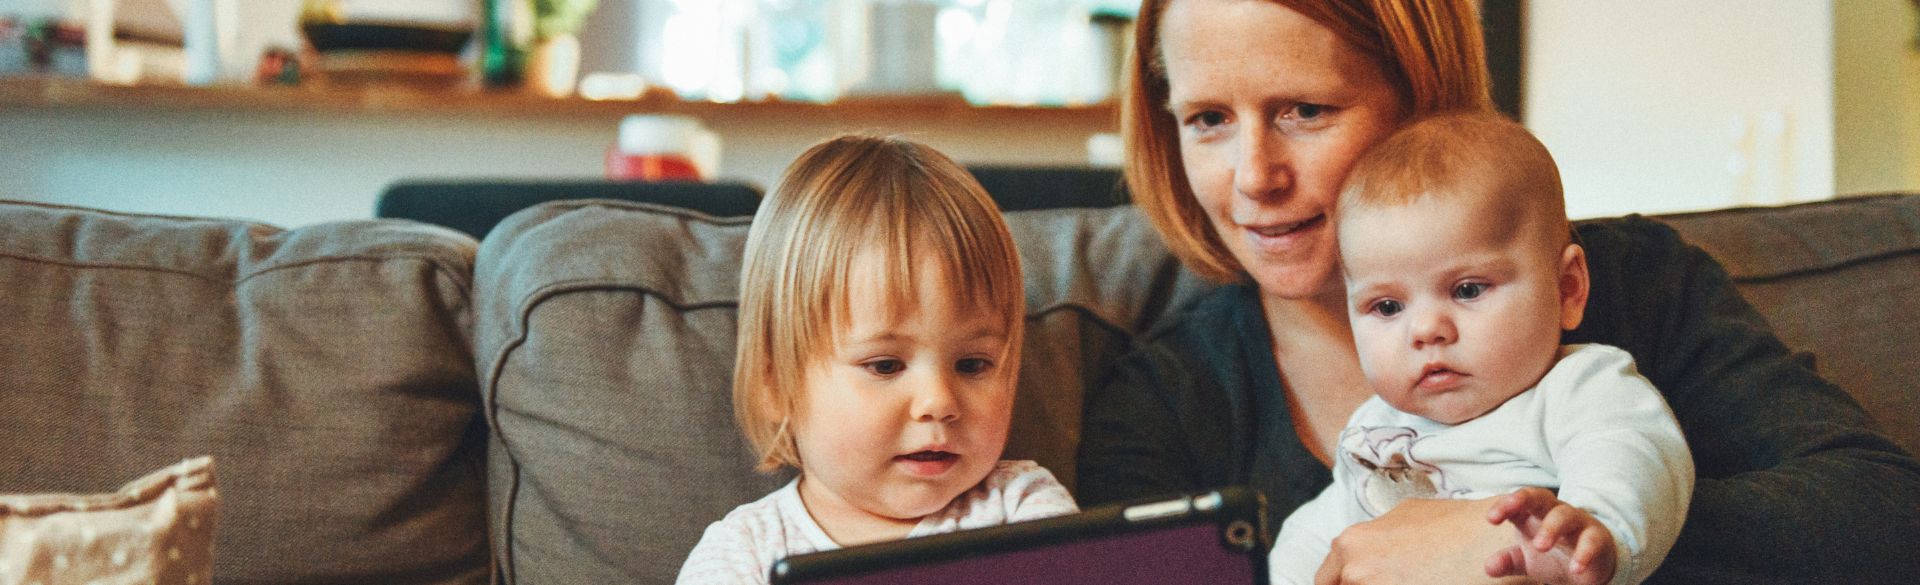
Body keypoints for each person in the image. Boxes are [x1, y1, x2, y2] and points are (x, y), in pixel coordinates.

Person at [1075, 0, 1920, 583]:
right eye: (1208, 119)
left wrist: (1534, 547)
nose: (1255, 175)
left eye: (1305, 109)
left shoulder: (1636, 284)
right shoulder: (1161, 401)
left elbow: (1884, 512)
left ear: (1420, 96)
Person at [1269, 112, 1693, 585]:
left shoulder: (1580, 389)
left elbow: (1631, 457)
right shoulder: (1376, 427)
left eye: (1468, 290)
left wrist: (1592, 538)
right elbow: (1319, 533)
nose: (1426, 330)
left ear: (1568, 289)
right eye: (1387, 306)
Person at [675, 135, 1078, 585]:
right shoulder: (744, 553)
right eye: (885, 366)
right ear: (775, 384)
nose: (938, 401)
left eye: (972, 365)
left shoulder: (1024, 511)